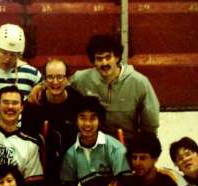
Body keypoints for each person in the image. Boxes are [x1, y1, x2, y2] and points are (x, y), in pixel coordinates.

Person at [28, 34, 159, 143]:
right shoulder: (81, 78)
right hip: (92, 144)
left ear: (117, 57)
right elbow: (59, 83)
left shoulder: (139, 82)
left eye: (108, 57)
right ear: (93, 61)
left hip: (127, 145)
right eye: (99, 59)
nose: (104, 63)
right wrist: (40, 86)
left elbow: (150, 126)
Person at [21, 58, 82, 186]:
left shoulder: (77, 102)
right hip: (41, 167)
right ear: (44, 80)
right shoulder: (34, 104)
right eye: (50, 77)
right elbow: (27, 142)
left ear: (67, 79)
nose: (55, 82)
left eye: (60, 77)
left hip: (72, 167)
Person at [60, 96, 130, 186]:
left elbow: (125, 184)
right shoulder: (70, 154)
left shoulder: (114, 148)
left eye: (92, 118)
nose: (87, 124)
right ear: (76, 121)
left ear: (100, 121)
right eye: (82, 118)